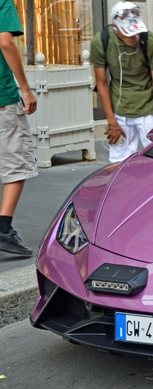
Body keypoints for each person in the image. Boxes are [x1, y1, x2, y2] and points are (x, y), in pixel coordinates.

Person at [90, 1, 153, 164]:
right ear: (115, 27)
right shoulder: (101, 42)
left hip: (149, 107)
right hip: (119, 107)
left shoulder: (150, 41)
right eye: (128, 33)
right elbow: (102, 83)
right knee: (119, 163)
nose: (134, 37)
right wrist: (112, 122)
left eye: (136, 32)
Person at [0, 0, 38, 256]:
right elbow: (5, 42)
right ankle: (3, 228)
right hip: (2, 99)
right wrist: (25, 87)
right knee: (16, 164)